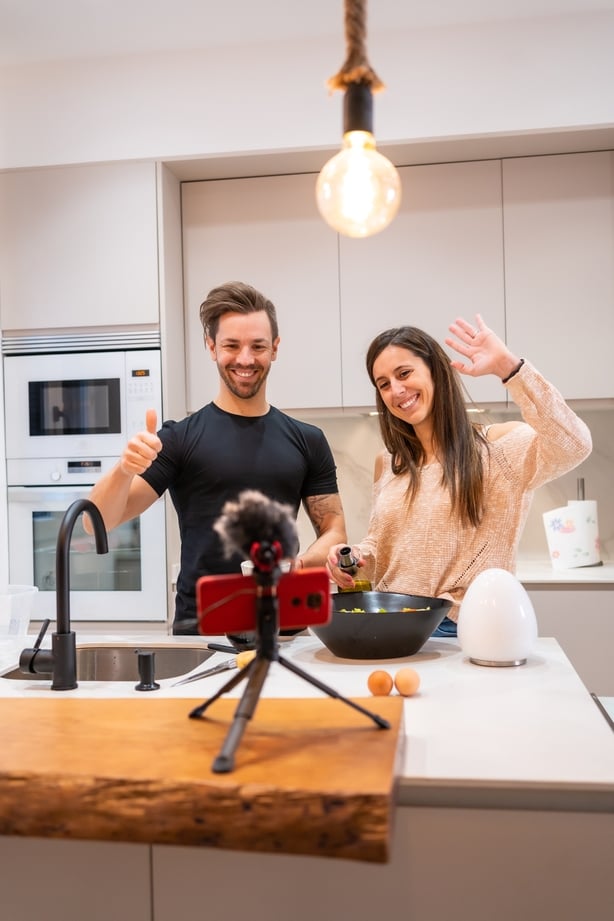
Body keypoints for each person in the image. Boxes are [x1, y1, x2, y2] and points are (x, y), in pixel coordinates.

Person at [87, 281, 347, 634]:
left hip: (285, 630)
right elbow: (94, 523)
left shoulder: (308, 440)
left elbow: (334, 529)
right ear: (211, 347)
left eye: (257, 346)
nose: (245, 359)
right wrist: (123, 469)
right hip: (201, 635)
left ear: (275, 348)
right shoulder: (178, 439)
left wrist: (299, 564)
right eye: (231, 345)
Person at [325, 314, 592, 636]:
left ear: (436, 370)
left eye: (404, 373)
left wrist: (509, 367)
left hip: (462, 627)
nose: (396, 390)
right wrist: (354, 557)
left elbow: (574, 444)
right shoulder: (390, 463)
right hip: (389, 621)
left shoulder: (499, 448)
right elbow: (383, 549)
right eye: (383, 384)